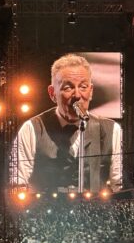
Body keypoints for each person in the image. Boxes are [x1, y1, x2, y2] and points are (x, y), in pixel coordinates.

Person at [11, 54, 122, 192]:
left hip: (95, 210)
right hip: (46, 211)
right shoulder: (31, 129)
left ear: (91, 91)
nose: (77, 95)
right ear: (52, 93)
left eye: (83, 87)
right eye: (68, 88)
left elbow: (118, 185)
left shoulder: (111, 130)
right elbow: (18, 184)